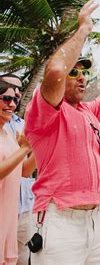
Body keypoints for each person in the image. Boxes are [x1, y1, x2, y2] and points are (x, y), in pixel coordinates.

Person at [24, 0, 100, 265]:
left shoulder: (88, 110)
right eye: (74, 71)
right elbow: (56, 70)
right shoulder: (44, 110)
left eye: (84, 71)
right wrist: (83, 29)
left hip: (95, 220)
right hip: (59, 221)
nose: (82, 76)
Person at [0, 73, 36, 265]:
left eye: (15, 98)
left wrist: (40, 146)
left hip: (15, 212)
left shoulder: (10, 131)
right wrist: (24, 148)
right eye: (6, 98)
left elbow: (23, 171)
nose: (12, 103)